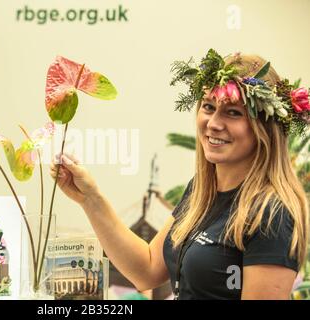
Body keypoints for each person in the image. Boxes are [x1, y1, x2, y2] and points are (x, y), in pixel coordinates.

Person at [50, 50, 309, 300]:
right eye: (208, 107)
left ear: (264, 126)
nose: (214, 123)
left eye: (233, 112)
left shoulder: (272, 214)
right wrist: (90, 199)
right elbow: (147, 269)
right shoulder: (201, 191)